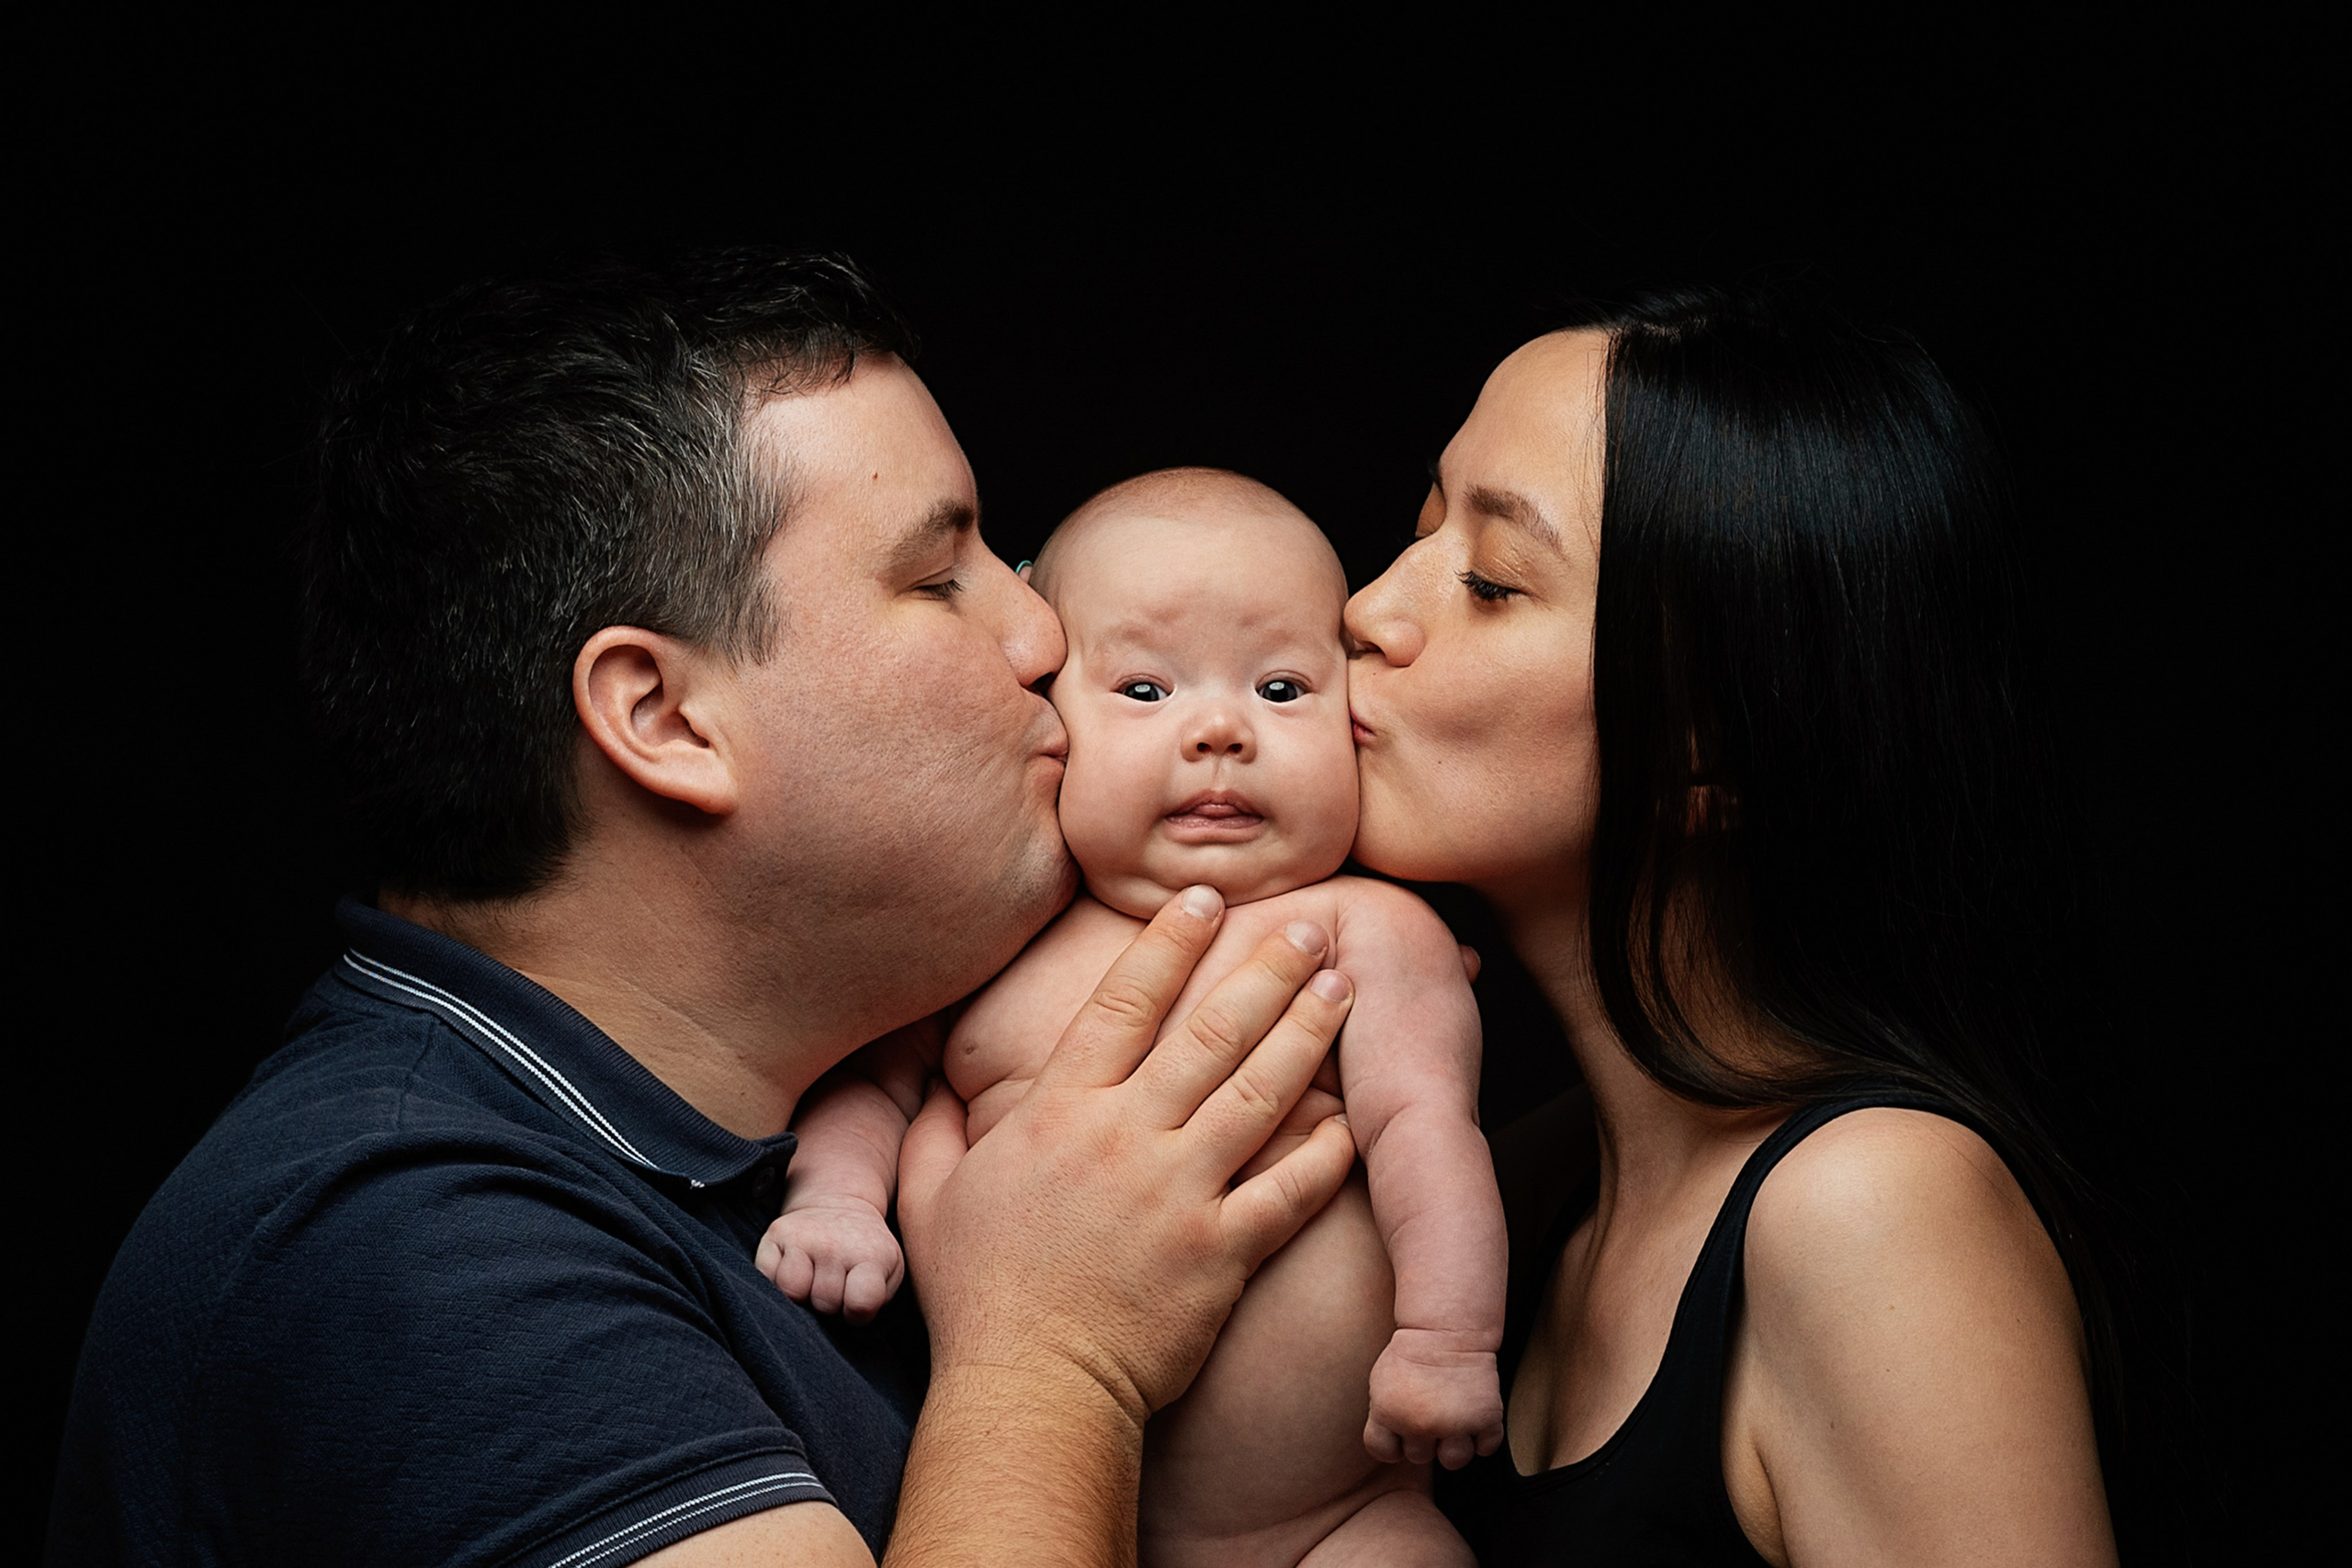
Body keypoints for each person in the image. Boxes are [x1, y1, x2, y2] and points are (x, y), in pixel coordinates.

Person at [46, 253, 1363, 1567]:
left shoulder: (781, 1140)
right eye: (943, 576)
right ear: (668, 718)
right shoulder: (397, 1248)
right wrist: (1056, 1351)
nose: (1044, 638)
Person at [1343, 288, 2122, 1564]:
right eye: (1421, 528)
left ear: (1711, 753)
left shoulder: (1874, 1211)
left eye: (1489, 579)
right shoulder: (1529, 1191)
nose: (1371, 607)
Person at [763, 468, 1501, 1566]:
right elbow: (874, 1083)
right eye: (1147, 691)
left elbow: (1428, 1134)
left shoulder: (1367, 933)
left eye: (1283, 690)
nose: (1219, 732)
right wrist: (837, 1203)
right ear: (1046, 720)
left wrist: (1445, 1342)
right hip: (1028, 1501)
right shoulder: (995, 932)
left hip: (1335, 1524)